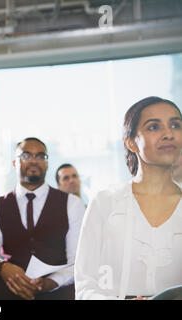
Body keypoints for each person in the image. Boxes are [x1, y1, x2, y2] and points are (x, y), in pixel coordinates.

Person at [75, 96, 182, 300]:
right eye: (153, 127)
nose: (168, 134)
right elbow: (84, 287)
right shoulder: (105, 202)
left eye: (175, 125)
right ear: (131, 142)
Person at [0, 137, 85, 300]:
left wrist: (51, 282)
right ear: (14, 163)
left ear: (47, 163)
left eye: (41, 156)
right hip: (6, 291)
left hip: (57, 292)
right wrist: (2, 267)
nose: (34, 161)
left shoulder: (72, 204)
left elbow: (77, 260)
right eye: (26, 156)